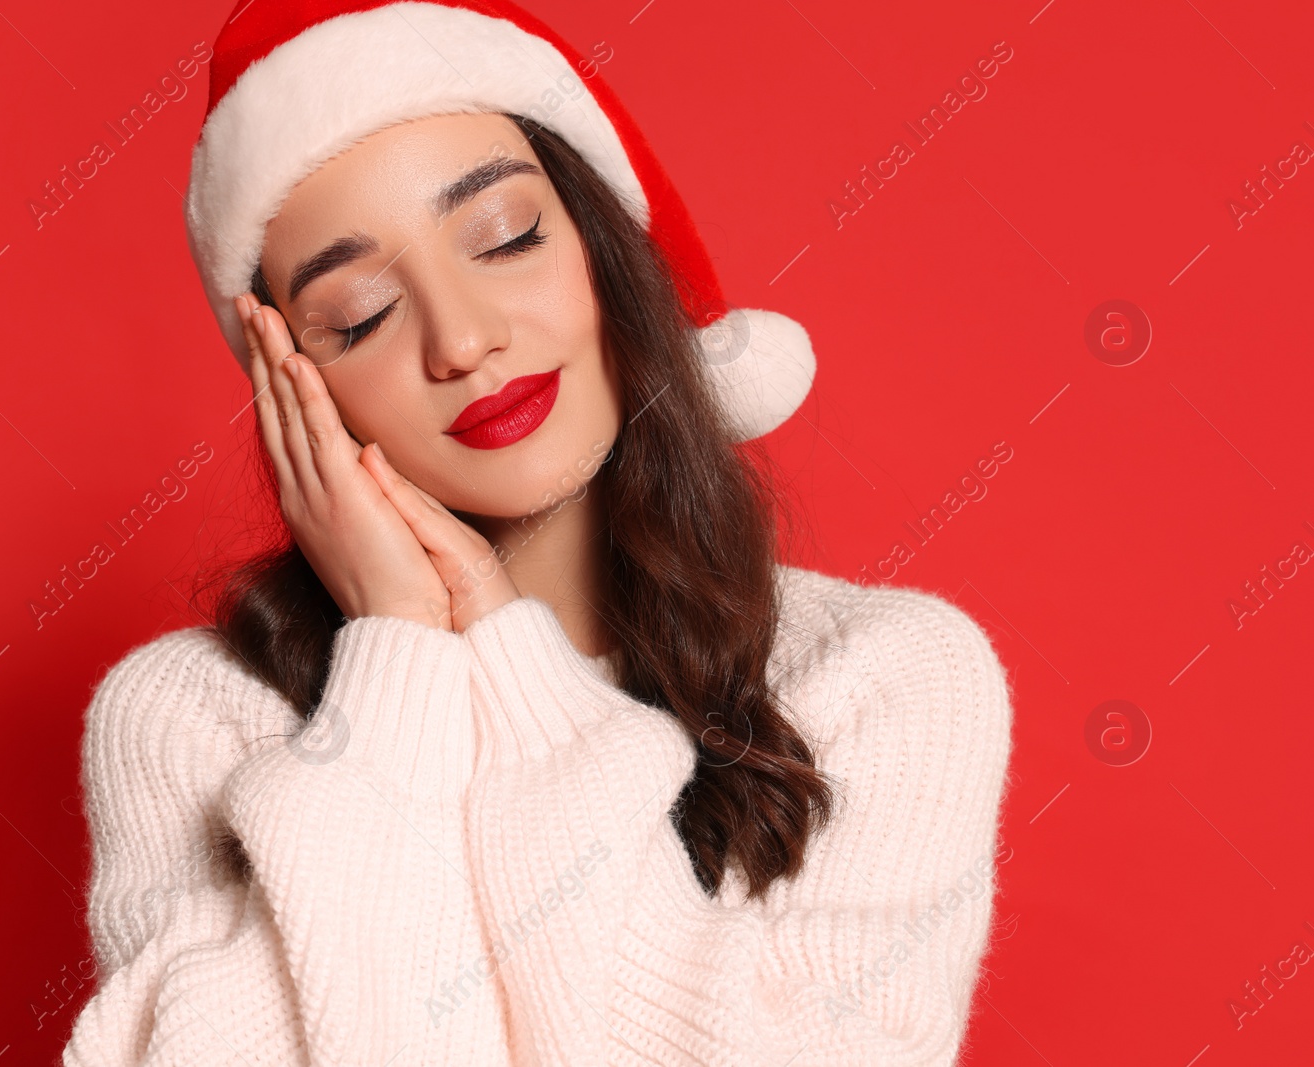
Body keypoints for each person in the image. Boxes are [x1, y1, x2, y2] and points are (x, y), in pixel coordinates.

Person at [61, 2, 1015, 1065]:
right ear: (295, 386)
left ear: (605, 249)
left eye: (506, 238)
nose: (464, 339)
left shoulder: (881, 678)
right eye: (361, 314)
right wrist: (398, 662)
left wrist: (512, 665)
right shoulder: (192, 720)